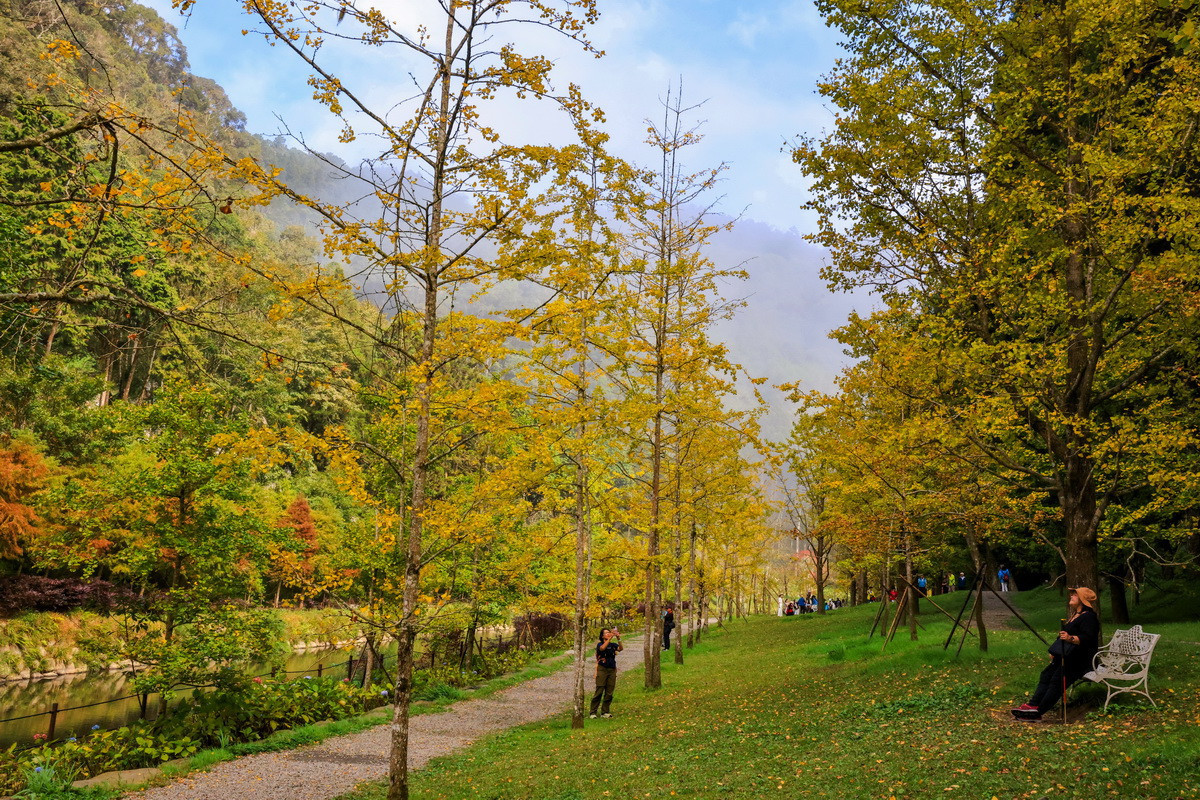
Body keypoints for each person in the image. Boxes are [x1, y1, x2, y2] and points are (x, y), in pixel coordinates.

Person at [1011, 587, 1101, 720]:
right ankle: (1033, 705)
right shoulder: (1076, 615)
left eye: (1075, 595)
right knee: (1046, 675)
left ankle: (1039, 712)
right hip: (1067, 656)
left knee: (1057, 680)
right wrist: (1056, 651)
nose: (1071, 596)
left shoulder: (1089, 618)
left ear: (1082, 600)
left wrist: (1071, 638)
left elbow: (1089, 638)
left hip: (1080, 660)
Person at [590, 627, 623, 719]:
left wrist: (618, 638)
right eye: (606, 633)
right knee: (599, 690)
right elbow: (602, 648)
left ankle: (605, 711)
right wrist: (609, 638)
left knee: (609, 691)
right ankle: (593, 712)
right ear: (602, 636)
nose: (608, 634)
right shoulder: (600, 644)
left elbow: (620, 648)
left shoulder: (613, 645)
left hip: (612, 669)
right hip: (602, 669)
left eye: (609, 632)